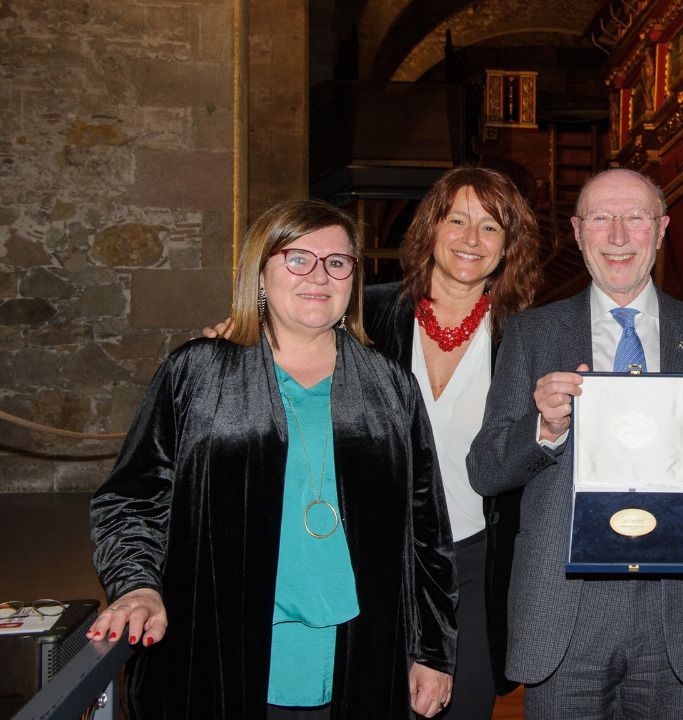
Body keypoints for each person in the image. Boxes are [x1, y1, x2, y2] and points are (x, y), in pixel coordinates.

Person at [90, 200, 457, 719]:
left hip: (358, 655)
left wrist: (432, 651)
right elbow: (132, 500)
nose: (319, 275)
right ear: (260, 274)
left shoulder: (389, 385)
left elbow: (428, 535)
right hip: (219, 650)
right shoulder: (197, 373)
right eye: (297, 258)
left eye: (337, 262)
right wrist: (137, 584)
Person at [467, 168, 683, 719]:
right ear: (577, 230)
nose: (617, 236)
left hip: (675, 617)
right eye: (600, 219)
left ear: (660, 230)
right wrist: (542, 429)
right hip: (562, 617)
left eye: (634, 218)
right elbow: (486, 469)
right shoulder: (531, 334)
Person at [363, 167, 542, 719]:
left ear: (509, 247)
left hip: (474, 561)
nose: (471, 239)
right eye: (458, 220)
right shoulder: (366, 314)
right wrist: (234, 336)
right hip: (373, 555)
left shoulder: (525, 338)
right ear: (430, 228)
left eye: (491, 228)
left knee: (461, 707)